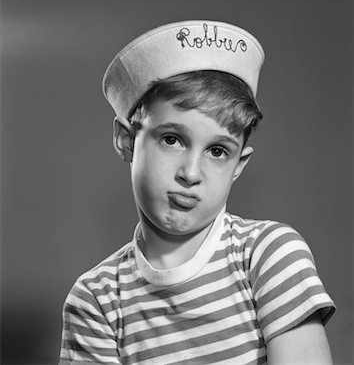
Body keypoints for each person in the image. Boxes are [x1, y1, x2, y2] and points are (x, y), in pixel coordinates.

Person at [59, 20, 335, 364]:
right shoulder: (97, 299)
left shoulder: (268, 254)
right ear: (126, 139)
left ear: (238, 165)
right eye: (172, 140)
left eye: (217, 151)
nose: (191, 174)